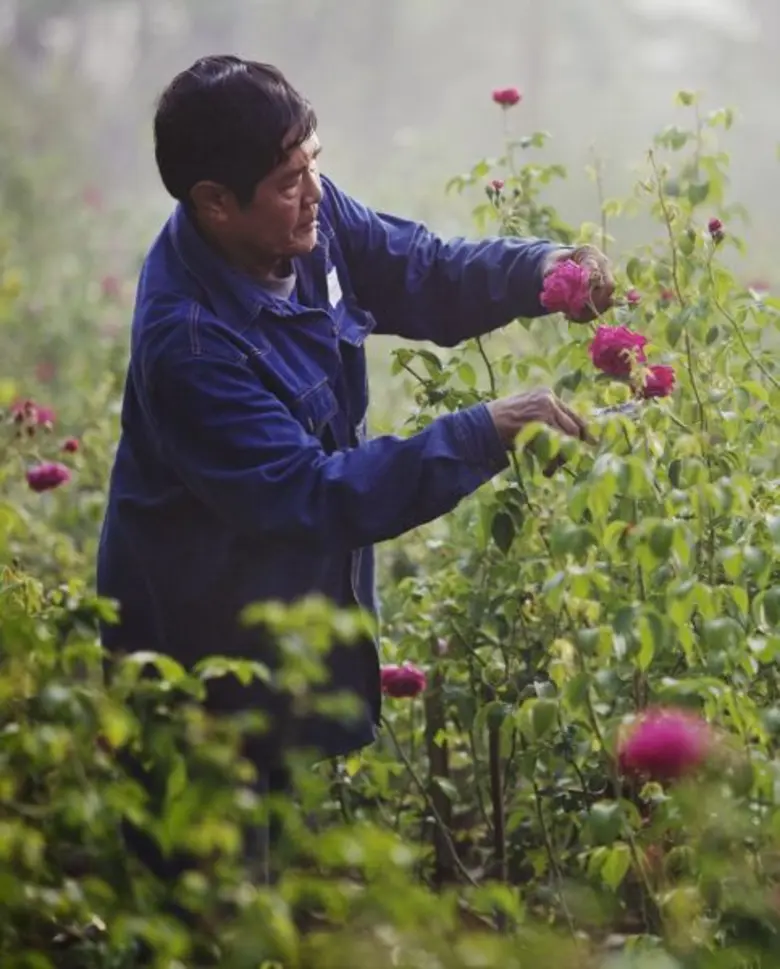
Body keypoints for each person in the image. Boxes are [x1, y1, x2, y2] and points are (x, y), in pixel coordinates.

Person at [96, 55, 613, 879]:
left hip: (277, 618)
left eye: (315, 163)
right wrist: (483, 429)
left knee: (279, 881)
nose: (314, 190)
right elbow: (313, 494)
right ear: (216, 203)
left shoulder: (304, 216)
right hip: (195, 651)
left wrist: (540, 271)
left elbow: (422, 270)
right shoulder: (191, 345)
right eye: (288, 179)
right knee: (207, 903)